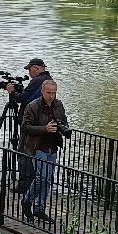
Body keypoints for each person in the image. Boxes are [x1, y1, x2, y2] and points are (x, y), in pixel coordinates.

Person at [20, 80, 71, 221]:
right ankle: (27, 201)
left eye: (54, 93)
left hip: (52, 146)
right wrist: (44, 128)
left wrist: (63, 128)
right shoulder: (33, 106)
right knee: (41, 177)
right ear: (42, 91)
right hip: (37, 146)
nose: (51, 96)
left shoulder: (58, 104)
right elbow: (25, 127)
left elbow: (64, 121)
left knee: (47, 179)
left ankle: (39, 209)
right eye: (48, 93)